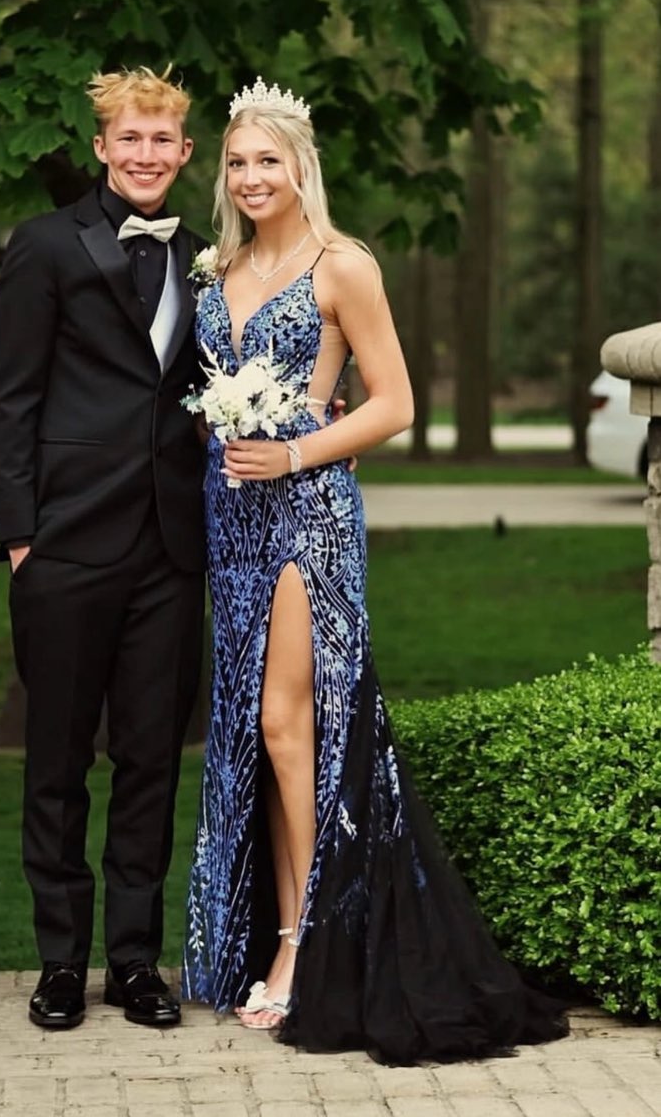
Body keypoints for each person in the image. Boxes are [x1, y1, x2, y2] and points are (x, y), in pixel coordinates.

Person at [182, 78, 568, 1064]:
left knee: (286, 721)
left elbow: (391, 401)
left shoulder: (340, 265)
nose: (251, 174)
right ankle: (280, 931)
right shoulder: (214, 267)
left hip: (306, 509)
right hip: (229, 513)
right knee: (257, 733)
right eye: (236, 160)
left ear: (301, 163)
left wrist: (298, 451)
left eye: (268, 157)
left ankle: (309, 949)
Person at [0, 67, 206, 1030]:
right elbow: (11, 401)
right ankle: (60, 964)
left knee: (152, 760)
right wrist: (22, 535)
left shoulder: (206, 259)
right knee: (58, 760)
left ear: (185, 152)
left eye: (163, 141)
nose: (147, 155)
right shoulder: (44, 246)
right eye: (131, 139)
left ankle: (135, 964)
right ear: (102, 147)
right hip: (65, 545)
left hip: (169, 548)